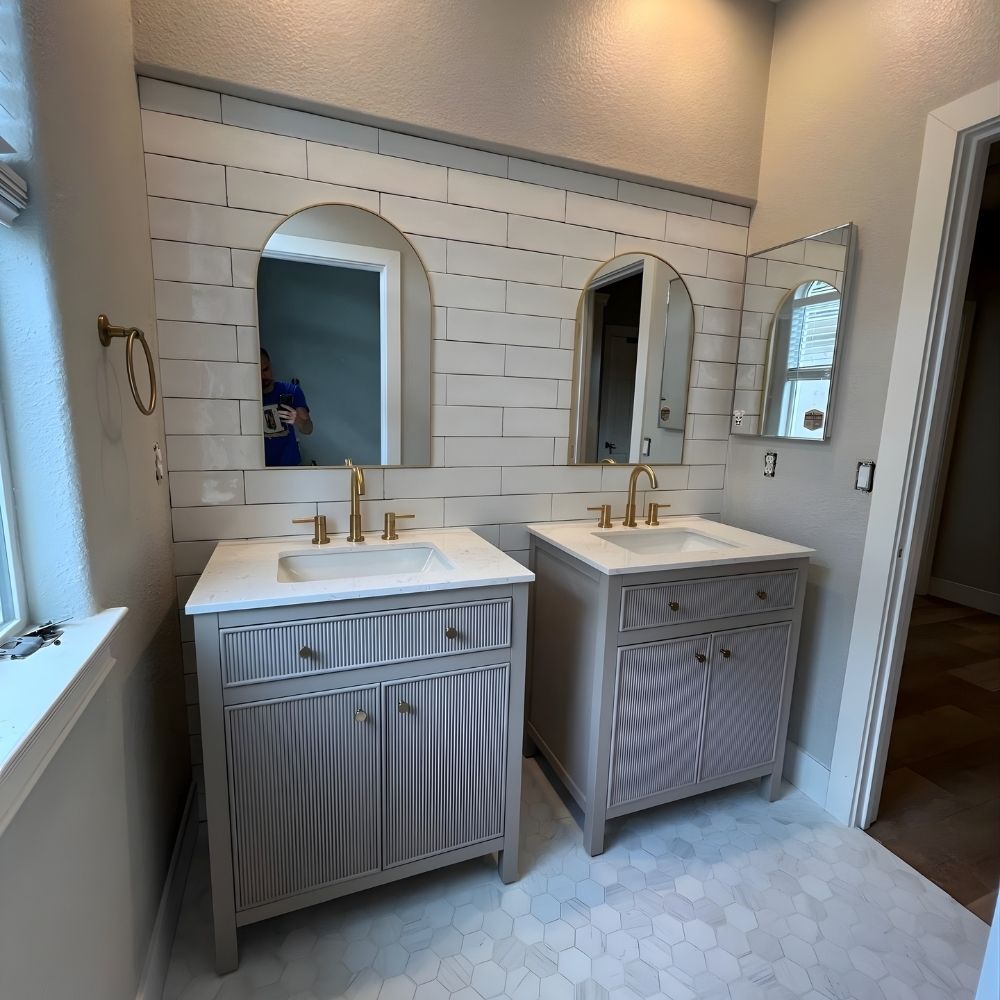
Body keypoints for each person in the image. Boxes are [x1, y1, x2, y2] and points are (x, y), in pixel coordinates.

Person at [260, 348, 312, 465]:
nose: (263, 376)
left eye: (266, 369)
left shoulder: (291, 390)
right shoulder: (248, 398)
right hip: (260, 469)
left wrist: (297, 419)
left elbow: (308, 429)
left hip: (290, 467)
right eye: (258, 372)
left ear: (270, 366)